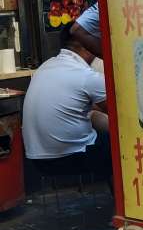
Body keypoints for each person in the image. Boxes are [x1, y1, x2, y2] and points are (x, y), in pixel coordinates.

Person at [23, 22, 112, 180]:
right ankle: (124, 194)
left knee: (92, 116)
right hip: (69, 158)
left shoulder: (46, 66)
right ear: (84, 43)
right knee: (123, 144)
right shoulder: (86, 75)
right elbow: (121, 115)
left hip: (36, 160)